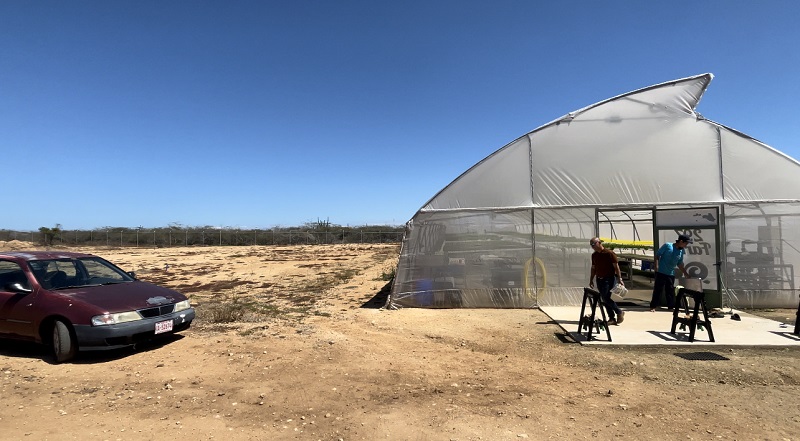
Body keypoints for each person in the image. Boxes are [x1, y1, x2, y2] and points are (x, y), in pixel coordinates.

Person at [650, 233, 693, 311]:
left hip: (671, 273)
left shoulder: (681, 251)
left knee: (670, 291)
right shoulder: (667, 246)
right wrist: (656, 266)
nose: (686, 245)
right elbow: (657, 255)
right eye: (686, 243)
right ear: (681, 241)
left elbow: (679, 263)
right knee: (658, 290)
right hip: (661, 272)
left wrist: (685, 273)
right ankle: (653, 306)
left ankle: (670, 307)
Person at [589, 237, 625, 325]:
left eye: (593, 244)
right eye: (591, 245)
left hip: (608, 279)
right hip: (599, 279)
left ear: (599, 243)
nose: (592, 246)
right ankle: (611, 318)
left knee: (605, 298)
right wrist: (591, 279)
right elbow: (593, 268)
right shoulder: (594, 255)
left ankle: (619, 312)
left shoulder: (609, 253)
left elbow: (616, 267)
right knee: (605, 299)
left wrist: (619, 278)